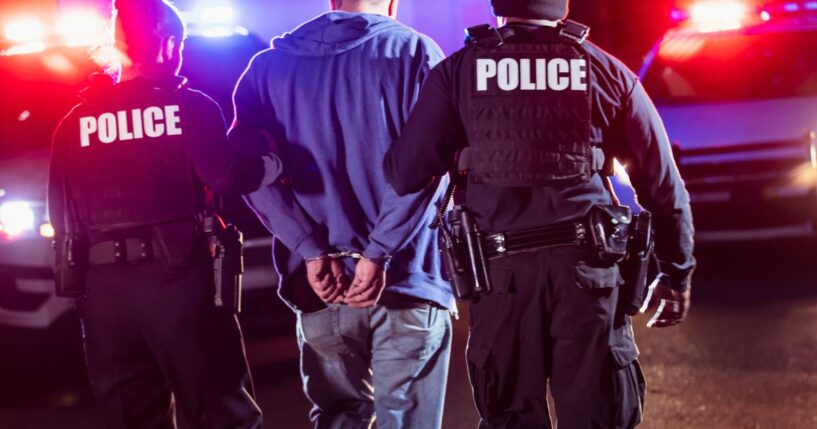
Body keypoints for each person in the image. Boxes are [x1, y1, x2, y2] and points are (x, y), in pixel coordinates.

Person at [384, 0, 696, 427]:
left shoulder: (459, 71)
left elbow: (404, 174)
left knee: (511, 415)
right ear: (561, 6)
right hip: (588, 271)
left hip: (500, 276)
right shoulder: (604, 69)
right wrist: (676, 272)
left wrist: (463, 151)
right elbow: (663, 187)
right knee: (597, 415)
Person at [47, 1, 278, 427]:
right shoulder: (189, 107)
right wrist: (273, 164)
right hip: (178, 280)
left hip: (103, 299)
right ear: (168, 44)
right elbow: (224, 175)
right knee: (221, 411)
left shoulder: (73, 123)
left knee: (133, 419)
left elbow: (60, 216)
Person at [229, 0, 454, 427]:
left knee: (338, 417)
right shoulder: (415, 53)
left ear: (332, 2)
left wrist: (312, 250)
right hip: (408, 278)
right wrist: (378, 252)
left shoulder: (266, 68)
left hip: (321, 284)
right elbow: (429, 167)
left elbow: (250, 175)